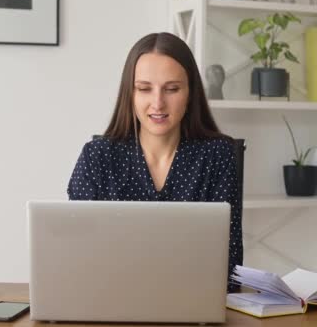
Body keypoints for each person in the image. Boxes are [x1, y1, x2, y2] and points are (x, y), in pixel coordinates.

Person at [67, 32, 242, 292]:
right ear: (130, 94)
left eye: (172, 89)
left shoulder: (218, 156)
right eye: (144, 89)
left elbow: (229, 262)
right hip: (109, 298)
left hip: (193, 301)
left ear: (190, 93)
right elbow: (78, 257)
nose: (158, 103)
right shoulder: (97, 157)